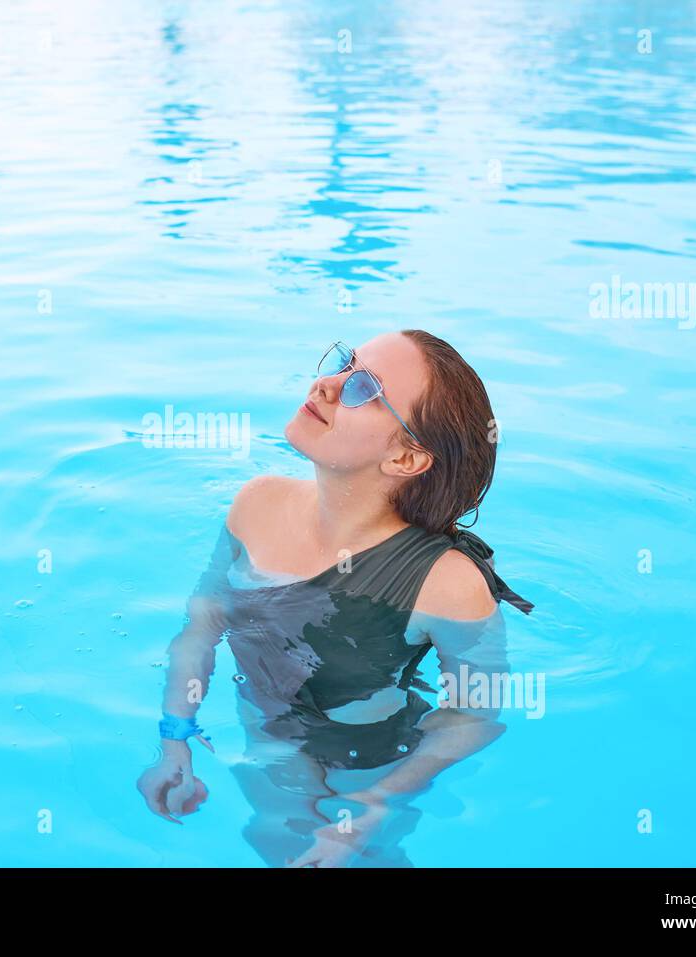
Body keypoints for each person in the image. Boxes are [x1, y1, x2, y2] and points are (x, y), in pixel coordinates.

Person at [136, 330, 533, 867]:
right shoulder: (256, 506)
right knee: (271, 844)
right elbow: (203, 624)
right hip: (266, 732)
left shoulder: (446, 582)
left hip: (367, 762)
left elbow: (475, 714)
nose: (326, 383)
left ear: (407, 458)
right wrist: (175, 739)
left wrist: (372, 809)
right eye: (345, 363)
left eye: (363, 387)